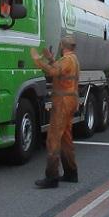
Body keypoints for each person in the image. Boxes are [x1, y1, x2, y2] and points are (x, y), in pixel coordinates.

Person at [30, 36, 80, 189]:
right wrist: (51, 58)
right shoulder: (73, 59)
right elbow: (60, 70)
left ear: (61, 45)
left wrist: (38, 60)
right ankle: (71, 173)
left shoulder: (67, 60)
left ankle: (51, 177)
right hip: (71, 100)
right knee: (65, 138)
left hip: (63, 101)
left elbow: (53, 72)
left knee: (53, 139)